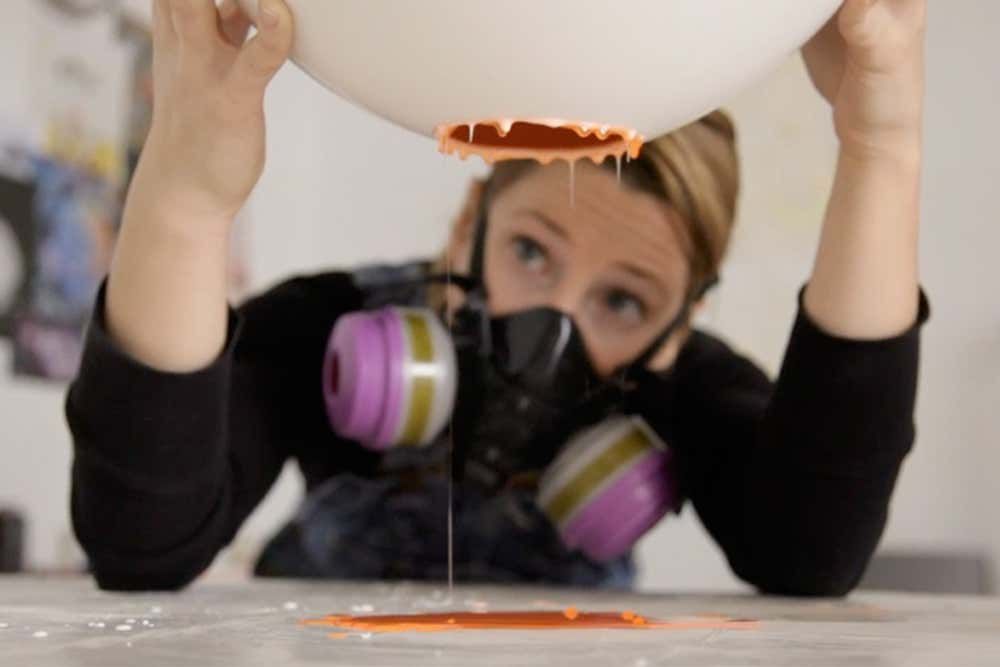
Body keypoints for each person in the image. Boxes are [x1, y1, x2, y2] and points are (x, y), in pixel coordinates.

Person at [66, 0, 928, 594]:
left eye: (625, 302)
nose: (552, 324)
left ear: (684, 322)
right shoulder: (330, 327)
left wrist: (880, 150)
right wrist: (184, 198)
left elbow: (814, 554)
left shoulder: (679, 389)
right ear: (468, 221)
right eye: (529, 250)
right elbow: (141, 543)